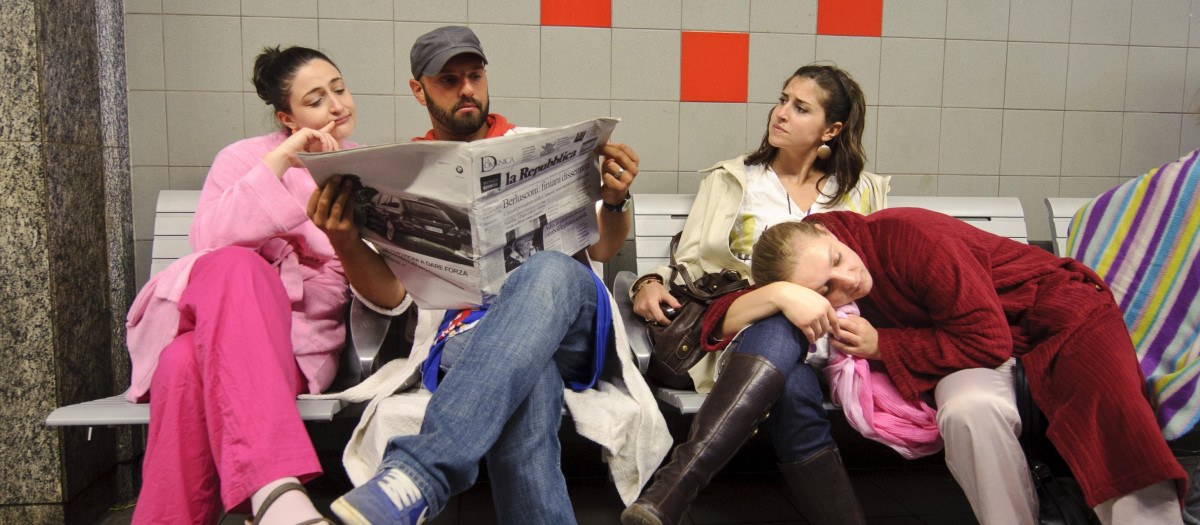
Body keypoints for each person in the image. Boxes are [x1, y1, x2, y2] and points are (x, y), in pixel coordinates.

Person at [326, 26, 671, 525]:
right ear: (418, 89)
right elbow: (393, 297)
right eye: (449, 80)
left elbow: (602, 246)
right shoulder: (399, 172)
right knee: (527, 382)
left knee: (548, 266)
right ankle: (419, 479)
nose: (467, 89)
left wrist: (615, 200)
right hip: (465, 337)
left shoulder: (536, 146)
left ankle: (420, 472)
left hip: (569, 320)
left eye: (475, 76)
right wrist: (344, 239)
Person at [730, 211, 1189, 525]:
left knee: (1111, 408)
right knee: (966, 412)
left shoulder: (909, 238)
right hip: (964, 343)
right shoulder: (811, 275)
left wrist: (884, 343)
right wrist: (779, 296)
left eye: (838, 260)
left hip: (1057, 315)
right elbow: (721, 315)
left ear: (834, 235)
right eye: (825, 288)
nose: (849, 281)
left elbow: (988, 340)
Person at [124, 46, 403, 524]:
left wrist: (342, 238)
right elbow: (206, 242)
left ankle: (261, 500)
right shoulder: (245, 159)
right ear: (287, 117)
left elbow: (388, 290)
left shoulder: (369, 172)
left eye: (339, 89)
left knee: (182, 364)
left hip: (289, 347)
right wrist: (281, 161)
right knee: (237, 266)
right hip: (215, 309)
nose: (337, 106)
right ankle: (274, 492)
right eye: (316, 99)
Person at [623, 64, 888, 525]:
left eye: (800, 108)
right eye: (783, 99)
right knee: (782, 338)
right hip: (745, 332)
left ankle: (671, 490)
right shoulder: (734, 180)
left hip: (843, 343)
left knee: (792, 379)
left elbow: (884, 275)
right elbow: (688, 268)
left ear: (832, 129)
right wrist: (645, 281)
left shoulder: (862, 192)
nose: (780, 113)